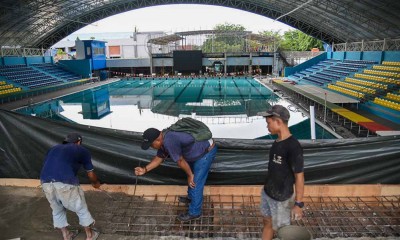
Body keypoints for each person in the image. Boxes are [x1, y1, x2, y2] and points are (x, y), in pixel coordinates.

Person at [135, 124, 217, 222]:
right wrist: (145, 169)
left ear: (158, 139)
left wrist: (190, 175)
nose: (152, 147)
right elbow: (159, 159)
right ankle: (192, 199)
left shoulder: (169, 141)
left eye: (151, 145)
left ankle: (195, 213)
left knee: (195, 182)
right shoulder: (163, 139)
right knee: (191, 177)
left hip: (205, 153)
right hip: (196, 152)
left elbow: (180, 161)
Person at [40, 133, 100, 240]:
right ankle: (90, 236)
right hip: (65, 181)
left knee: (57, 209)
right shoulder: (81, 150)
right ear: (79, 142)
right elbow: (90, 174)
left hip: (45, 182)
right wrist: (95, 184)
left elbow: (50, 165)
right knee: (80, 208)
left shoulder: (53, 148)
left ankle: (66, 235)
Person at [257, 105, 305, 240]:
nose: (267, 126)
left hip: (282, 199)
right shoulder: (276, 142)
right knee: (267, 222)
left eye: (268, 123)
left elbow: (299, 177)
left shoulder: (293, 146)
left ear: (278, 122)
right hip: (267, 193)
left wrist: (298, 204)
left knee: (283, 232)